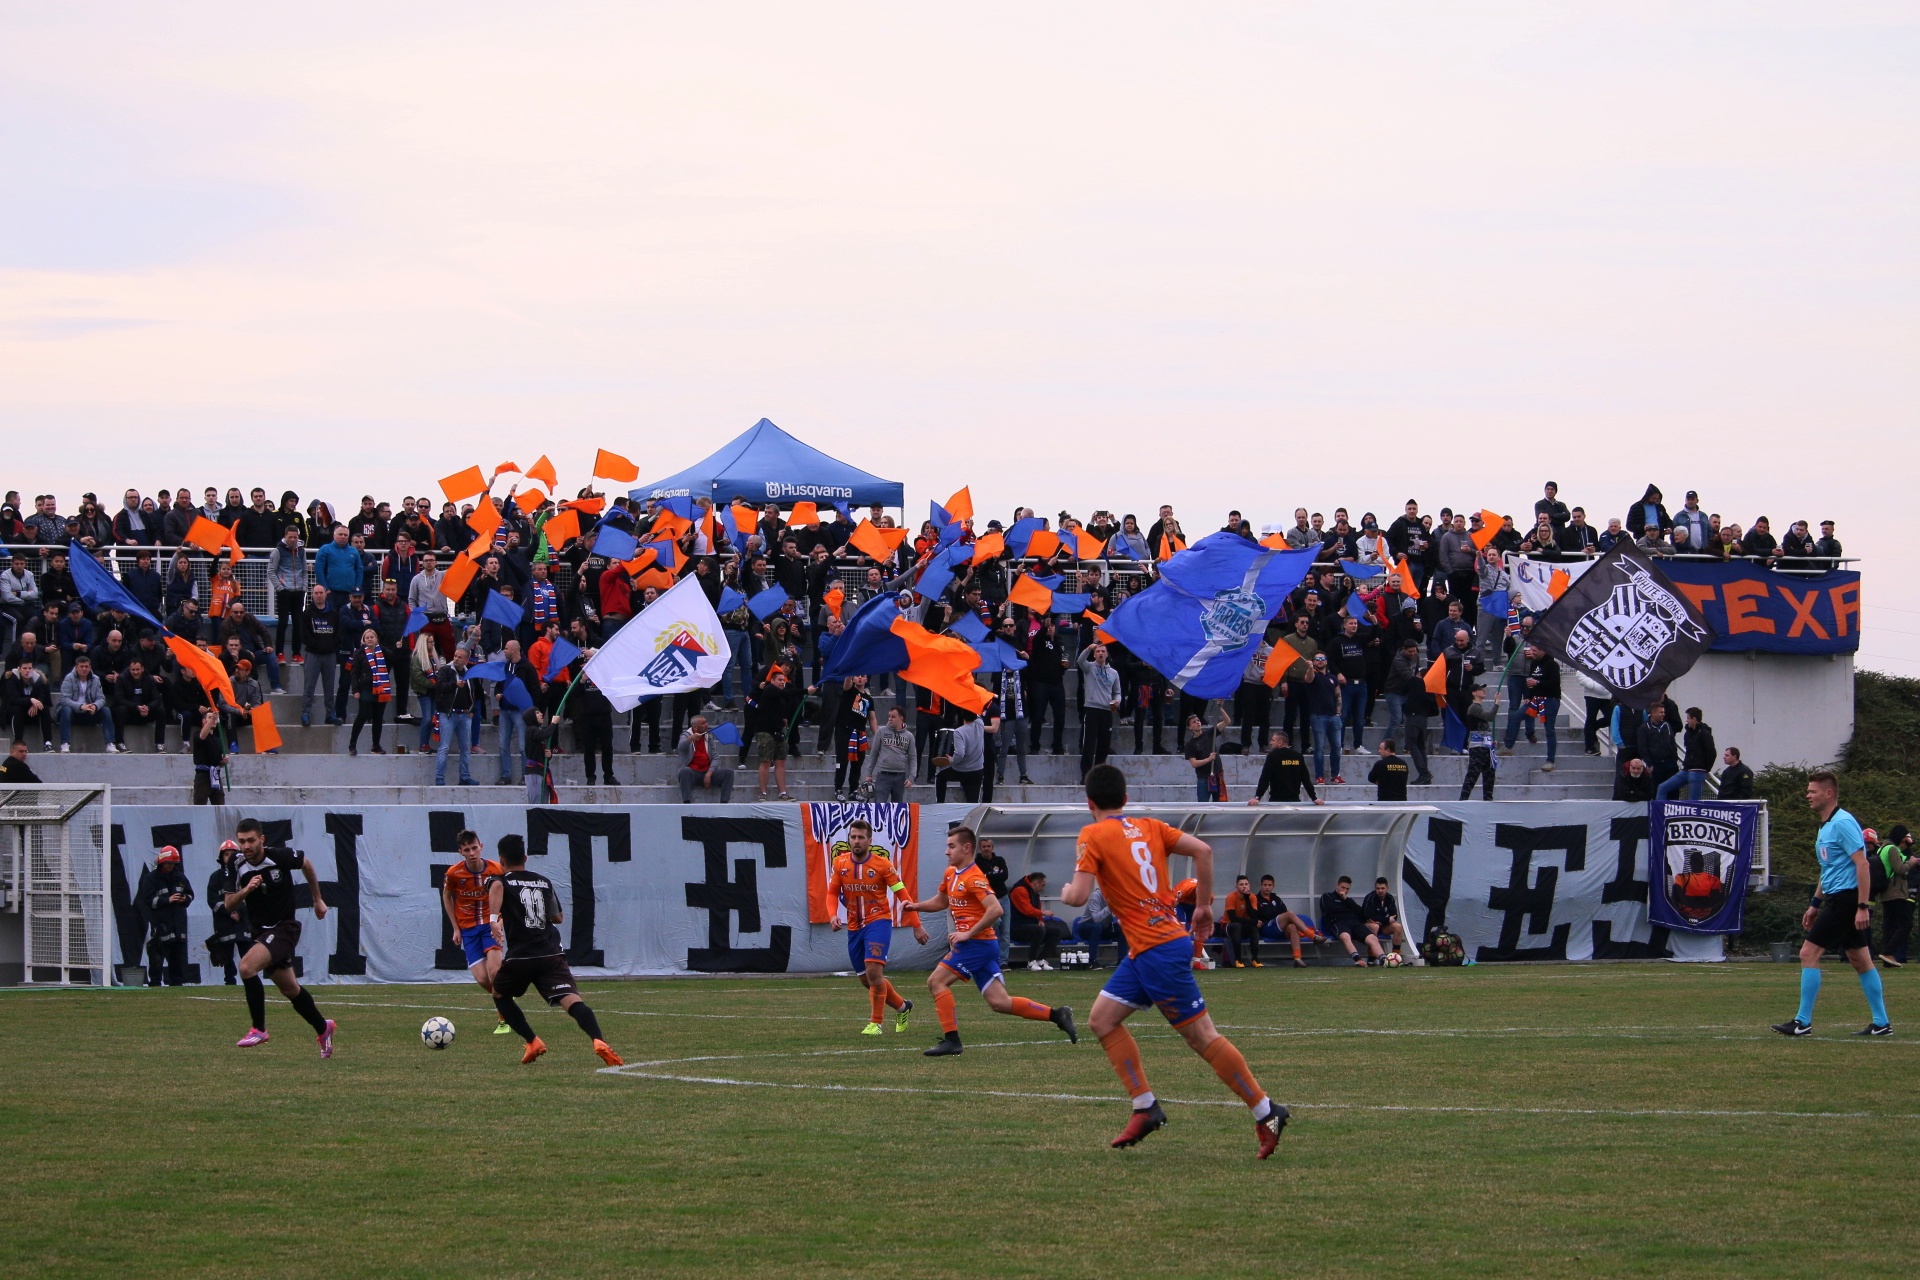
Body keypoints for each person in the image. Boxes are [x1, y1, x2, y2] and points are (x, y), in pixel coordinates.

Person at [1059, 763, 1287, 1157]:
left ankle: (1267, 1110)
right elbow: (1204, 850)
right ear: (1126, 799)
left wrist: (1065, 892)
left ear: (1089, 803)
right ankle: (1145, 1106)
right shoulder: (1150, 826)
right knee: (1101, 1019)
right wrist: (1202, 908)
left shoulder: (1092, 834)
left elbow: (1078, 898)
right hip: (1149, 947)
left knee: (1202, 1037)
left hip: (1157, 949)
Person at [902, 825, 1078, 1057]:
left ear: (966, 848)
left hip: (977, 945)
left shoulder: (974, 877)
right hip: (979, 945)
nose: (947, 852)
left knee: (936, 982)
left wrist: (966, 933)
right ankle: (1057, 1014)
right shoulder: (950, 874)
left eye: (951, 847)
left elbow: (995, 910)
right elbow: (941, 902)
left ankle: (952, 1040)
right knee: (999, 1002)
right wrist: (916, 906)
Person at [486, 835, 625, 1066]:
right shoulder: (544, 881)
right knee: (572, 1000)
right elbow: (557, 917)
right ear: (525, 858)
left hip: (522, 956)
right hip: (551, 954)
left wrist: (493, 919)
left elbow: (497, 885)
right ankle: (598, 1040)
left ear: (501, 860)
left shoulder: (499, 880)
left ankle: (532, 1041)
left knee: (499, 994)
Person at [1773, 771, 1890, 1037]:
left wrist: (1862, 906)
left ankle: (1802, 1021)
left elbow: (1862, 865)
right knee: (1860, 960)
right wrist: (1815, 903)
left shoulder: (1843, 822)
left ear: (1828, 794)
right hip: (1838, 897)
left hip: (1847, 900)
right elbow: (1829, 871)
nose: (1808, 795)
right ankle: (1882, 1022)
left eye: (1812, 791)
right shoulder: (1826, 826)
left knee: (1807, 953)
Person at [224, 817, 336, 1057]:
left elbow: (306, 864)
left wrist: (317, 899)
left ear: (261, 839)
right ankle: (323, 1027)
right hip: (261, 932)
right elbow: (228, 904)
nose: (246, 846)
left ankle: (259, 1029)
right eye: (242, 841)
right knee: (290, 989)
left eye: (251, 840)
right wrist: (246, 890)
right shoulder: (236, 863)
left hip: (284, 928)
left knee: (246, 967)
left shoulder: (280, 857)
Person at [827, 818, 926, 1035]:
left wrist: (916, 925)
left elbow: (902, 894)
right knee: (867, 980)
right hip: (854, 926)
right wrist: (833, 915)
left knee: (873, 972)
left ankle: (876, 1023)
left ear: (869, 841)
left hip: (878, 921)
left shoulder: (883, 865)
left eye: (861, 837)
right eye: (853, 837)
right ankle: (902, 1007)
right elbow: (832, 892)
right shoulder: (840, 863)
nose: (856, 841)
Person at [442, 830, 506, 1032]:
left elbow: (506, 896)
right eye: (467, 849)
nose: (472, 853)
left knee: (495, 971)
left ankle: (504, 1019)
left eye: (474, 848)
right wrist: (455, 928)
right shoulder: (454, 873)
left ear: (481, 846)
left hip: (490, 926)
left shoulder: (496, 869)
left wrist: (501, 921)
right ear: (461, 852)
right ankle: (506, 997)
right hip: (468, 930)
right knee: (482, 979)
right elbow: (447, 896)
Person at [137, 845, 195, 986]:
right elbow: (147, 900)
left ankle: (177, 982)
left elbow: (190, 894)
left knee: (177, 955)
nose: (171, 866)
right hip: (161, 923)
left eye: (173, 864)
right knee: (157, 954)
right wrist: (167, 900)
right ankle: (155, 982)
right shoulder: (152, 879)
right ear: (162, 862)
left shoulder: (180, 877)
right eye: (169, 863)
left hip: (178, 924)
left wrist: (185, 899)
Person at [431, 644, 478, 786]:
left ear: (466, 660)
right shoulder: (445, 671)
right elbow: (439, 688)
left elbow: (475, 693)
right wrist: (454, 684)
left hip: (464, 715)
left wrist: (472, 709)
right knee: (444, 747)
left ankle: (464, 776)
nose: (456, 659)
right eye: (455, 656)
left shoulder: (470, 673)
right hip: (449, 715)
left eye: (460, 657)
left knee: (465, 748)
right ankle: (440, 777)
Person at [1255, 874, 1321, 968]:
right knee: (1290, 914)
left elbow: (1284, 913)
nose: (1267, 887)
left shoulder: (1276, 899)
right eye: (1265, 885)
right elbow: (1251, 914)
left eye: (1269, 885)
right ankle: (1312, 935)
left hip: (1279, 928)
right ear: (1260, 885)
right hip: (1266, 928)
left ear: (1273, 886)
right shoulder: (1255, 899)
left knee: (1292, 927)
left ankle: (1297, 958)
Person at [1008, 871, 1069, 969]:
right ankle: (1031, 961)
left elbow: (1037, 908)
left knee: (1056, 932)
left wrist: (1041, 920)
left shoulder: (1035, 893)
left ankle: (1041, 959)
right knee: (1038, 930)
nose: (1043, 888)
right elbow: (1026, 910)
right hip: (1016, 928)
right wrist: (1043, 913)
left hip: (1030, 927)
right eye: (1042, 885)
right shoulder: (1019, 890)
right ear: (1036, 883)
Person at [55, 655, 116, 753]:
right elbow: (64, 699)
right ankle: (65, 744)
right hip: (73, 713)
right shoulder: (69, 678)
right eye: (81, 666)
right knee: (65, 709)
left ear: (90, 667)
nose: (84, 669)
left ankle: (110, 743)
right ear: (76, 667)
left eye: (86, 666)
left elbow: (101, 698)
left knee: (106, 710)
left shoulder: (96, 679)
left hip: (90, 713)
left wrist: (95, 706)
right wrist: (81, 706)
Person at [1078, 641, 1121, 775]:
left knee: (1104, 745)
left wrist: (1117, 701)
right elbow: (1080, 661)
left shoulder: (1113, 673)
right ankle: (1085, 774)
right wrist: (1088, 648)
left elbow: (1117, 692)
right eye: (1098, 652)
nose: (1100, 653)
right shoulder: (1089, 668)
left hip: (1107, 711)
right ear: (1094, 655)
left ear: (1107, 654)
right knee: (1089, 745)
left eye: (1103, 651)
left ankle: (1099, 774)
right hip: (1092, 709)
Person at [1656, 707, 1715, 802]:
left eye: (1688, 718)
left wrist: (1706, 768)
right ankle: (1660, 814)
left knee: (1692, 801)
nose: (1686, 721)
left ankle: (1692, 816)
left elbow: (1711, 752)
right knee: (1662, 788)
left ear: (1694, 719)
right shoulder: (1688, 733)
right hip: (1686, 769)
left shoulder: (1704, 733)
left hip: (1698, 771)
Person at [676, 715, 735, 803]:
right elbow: (680, 747)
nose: (707, 725)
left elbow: (716, 757)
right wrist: (691, 739)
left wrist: (709, 774)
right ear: (695, 727)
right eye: (703, 723)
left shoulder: (708, 737)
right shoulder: (686, 735)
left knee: (729, 773)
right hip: (693, 773)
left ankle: (724, 803)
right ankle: (687, 803)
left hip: (707, 773)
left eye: (706, 722)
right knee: (685, 771)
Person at [1250, 731, 1320, 804]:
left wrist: (1257, 797)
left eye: (1273, 740)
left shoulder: (1272, 756)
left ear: (1280, 743)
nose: (1270, 743)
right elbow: (1306, 779)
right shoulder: (1298, 756)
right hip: (1295, 801)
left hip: (1276, 802)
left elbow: (1265, 778)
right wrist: (1314, 798)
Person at [1877, 825, 1913, 968]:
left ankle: (1888, 960)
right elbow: (1900, 869)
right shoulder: (1892, 849)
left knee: (1889, 926)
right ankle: (1888, 952)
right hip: (1895, 892)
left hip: (1886, 892)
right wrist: (1911, 862)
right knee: (1906, 923)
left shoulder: (1882, 848)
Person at [1318, 875, 1374, 966]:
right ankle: (1358, 959)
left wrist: (1346, 900)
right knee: (1345, 936)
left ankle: (1384, 959)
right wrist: (1346, 910)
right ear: (1337, 885)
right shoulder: (1327, 896)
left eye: (1347, 889)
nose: (1344, 891)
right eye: (1342, 887)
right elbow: (1331, 909)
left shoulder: (1349, 901)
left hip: (1354, 923)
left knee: (1372, 937)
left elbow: (1361, 914)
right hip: (1338, 923)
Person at [868, 705, 916, 803]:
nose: (890, 719)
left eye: (893, 717)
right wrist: (869, 773)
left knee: (897, 808)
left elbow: (912, 758)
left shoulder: (909, 736)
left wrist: (911, 777)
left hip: (900, 776)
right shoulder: (881, 731)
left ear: (901, 718)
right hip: (883, 775)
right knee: (879, 806)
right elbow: (874, 753)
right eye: (889, 716)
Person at [1459, 685, 1496, 800]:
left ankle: (1488, 799)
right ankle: (1463, 800)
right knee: (1473, 774)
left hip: (1486, 746)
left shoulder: (1478, 708)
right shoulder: (1474, 707)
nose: (1483, 691)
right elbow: (1489, 716)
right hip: (1478, 746)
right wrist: (1497, 703)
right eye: (1480, 689)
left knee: (1489, 774)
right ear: (1474, 693)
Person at [1361, 877, 1406, 960]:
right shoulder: (1370, 898)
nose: (1380, 891)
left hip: (1383, 925)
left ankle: (1395, 956)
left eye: (1382, 888)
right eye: (1378, 888)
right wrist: (1386, 919)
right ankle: (1371, 957)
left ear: (1387, 888)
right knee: (1375, 926)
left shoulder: (1390, 898)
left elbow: (1394, 916)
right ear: (1375, 889)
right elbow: (1368, 916)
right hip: (1368, 925)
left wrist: (1381, 920)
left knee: (1398, 927)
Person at [190, 704, 227, 805]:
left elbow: (218, 762)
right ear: (204, 721)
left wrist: (223, 762)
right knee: (200, 805)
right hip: (203, 776)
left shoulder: (217, 740)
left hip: (215, 775)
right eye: (209, 718)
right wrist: (212, 719)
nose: (213, 720)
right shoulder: (198, 734)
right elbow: (202, 736)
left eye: (214, 718)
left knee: (220, 804)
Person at [1223, 875, 1262, 967]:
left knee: (1254, 928)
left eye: (1246, 884)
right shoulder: (1231, 897)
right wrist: (1253, 921)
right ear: (1236, 887)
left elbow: (1254, 916)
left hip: (1243, 925)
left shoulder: (1252, 897)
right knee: (1237, 926)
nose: (1244, 886)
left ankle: (1255, 959)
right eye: (1241, 884)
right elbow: (1233, 918)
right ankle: (1238, 959)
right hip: (1227, 926)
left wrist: (1247, 898)